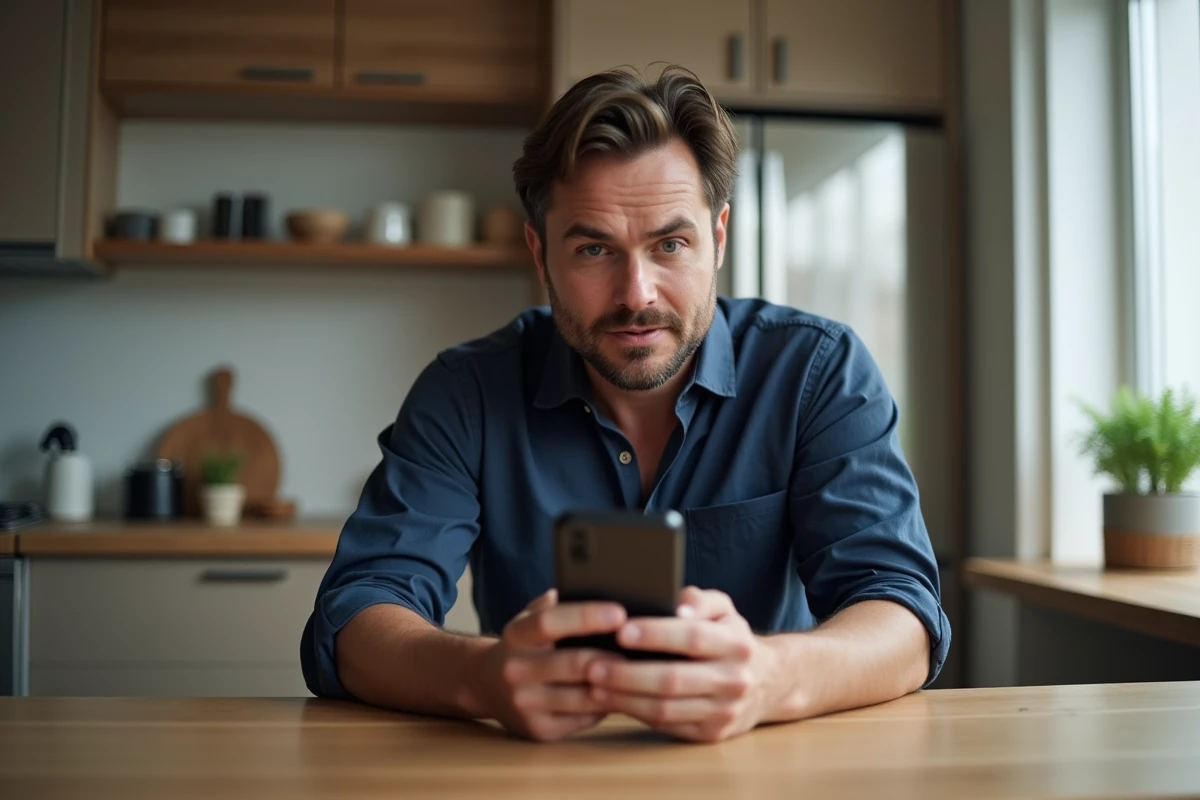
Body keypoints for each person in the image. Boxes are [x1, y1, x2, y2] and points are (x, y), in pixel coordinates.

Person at [300, 66, 949, 743]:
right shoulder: (467, 393)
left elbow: (903, 616)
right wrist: (483, 677)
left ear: (718, 238)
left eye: (670, 244)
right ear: (539, 253)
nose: (636, 293)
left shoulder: (818, 373)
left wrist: (769, 676)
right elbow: (355, 615)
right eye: (593, 249)